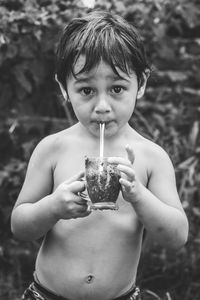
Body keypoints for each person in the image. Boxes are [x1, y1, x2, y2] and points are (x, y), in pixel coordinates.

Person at [11, 10, 189, 300]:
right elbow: (19, 226)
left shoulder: (151, 157)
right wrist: (53, 207)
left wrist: (139, 196)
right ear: (64, 89)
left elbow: (176, 237)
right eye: (86, 90)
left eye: (117, 88)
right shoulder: (53, 148)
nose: (102, 105)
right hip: (47, 295)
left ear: (140, 84)